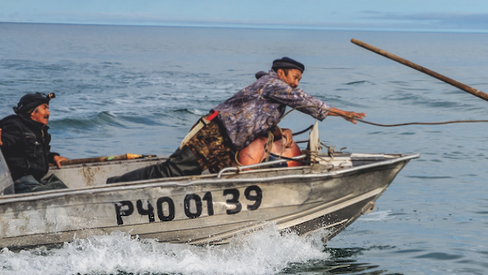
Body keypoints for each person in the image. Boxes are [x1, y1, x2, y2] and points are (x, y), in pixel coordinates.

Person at [107, 57, 364, 183]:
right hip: (214, 134)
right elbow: (305, 101)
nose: (296, 83)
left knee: (223, 181)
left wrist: (278, 131)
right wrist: (342, 113)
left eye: (299, 80)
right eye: (294, 77)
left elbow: (257, 120)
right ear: (281, 72)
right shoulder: (272, 83)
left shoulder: (272, 93)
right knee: (172, 170)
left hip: (230, 143)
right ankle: (115, 185)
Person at [0, 92, 69, 193]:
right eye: (44, 108)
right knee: (56, 194)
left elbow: (38, 153)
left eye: (48, 109)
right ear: (32, 112)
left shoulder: (39, 131)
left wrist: (53, 157)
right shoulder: (15, 125)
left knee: (61, 187)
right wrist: (0, 143)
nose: (48, 113)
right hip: (18, 179)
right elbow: (7, 143)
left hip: (33, 179)